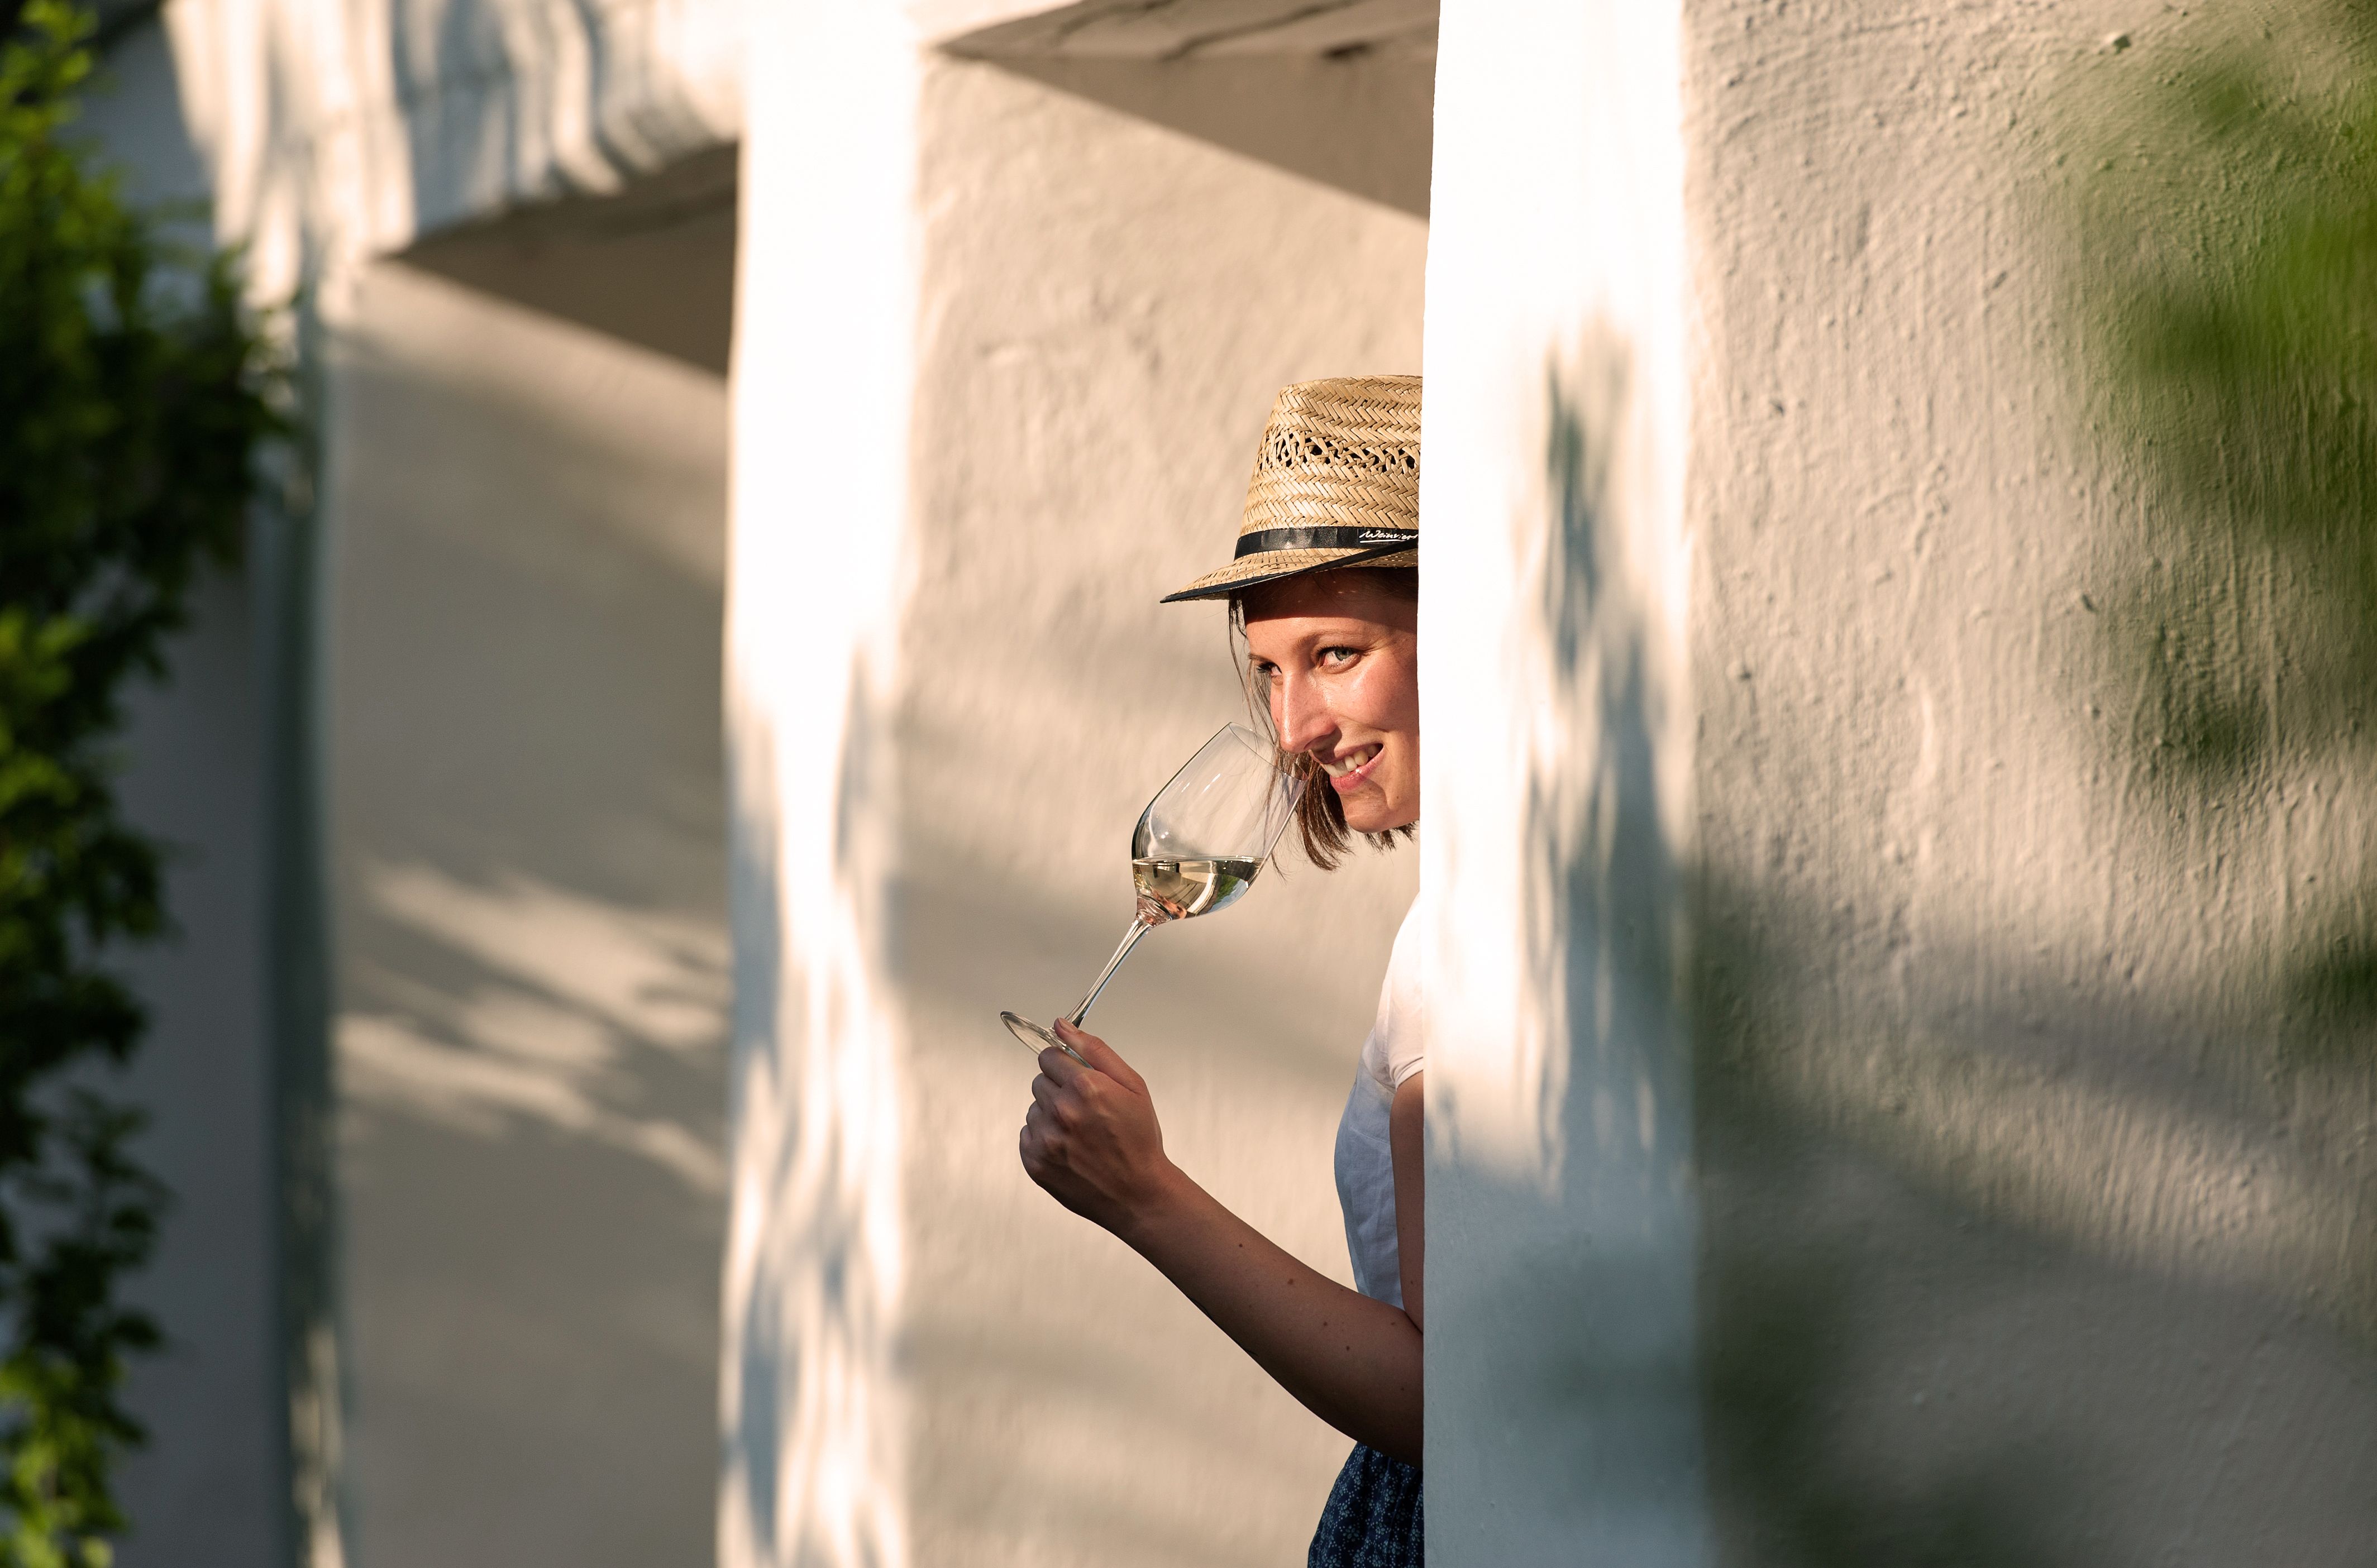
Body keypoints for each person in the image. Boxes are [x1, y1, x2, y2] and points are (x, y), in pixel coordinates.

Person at [1018, 376, 1426, 1567]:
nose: (1293, 725)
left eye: (1336, 653)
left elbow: (1441, 1404)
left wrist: (1145, 1196)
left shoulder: (1470, 948)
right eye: (1268, 672)